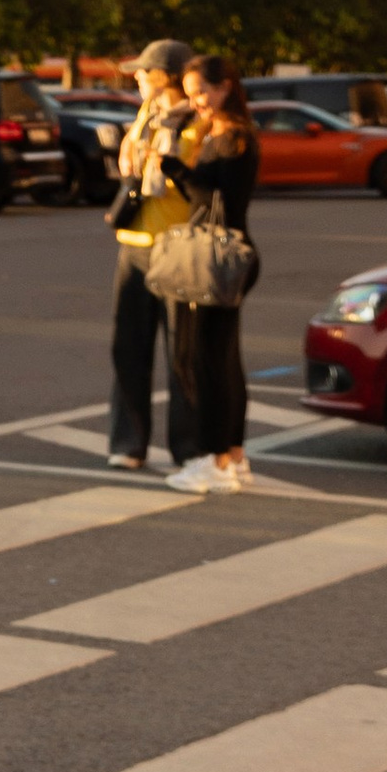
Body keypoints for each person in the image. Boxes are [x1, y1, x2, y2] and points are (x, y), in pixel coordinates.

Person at [158, 54, 259, 494]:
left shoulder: (233, 137)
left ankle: (215, 462)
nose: (196, 100)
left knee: (205, 360)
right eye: (191, 92)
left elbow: (222, 200)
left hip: (217, 258)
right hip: (226, 254)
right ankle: (233, 456)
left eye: (202, 91)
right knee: (224, 358)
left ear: (225, 88)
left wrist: (175, 167)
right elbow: (206, 198)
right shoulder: (221, 133)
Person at [106, 39, 198, 471]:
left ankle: (189, 448)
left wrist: (166, 162)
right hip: (135, 243)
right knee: (128, 348)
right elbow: (132, 165)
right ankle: (129, 443)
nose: (138, 78)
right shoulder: (147, 114)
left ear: (164, 75)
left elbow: (200, 183)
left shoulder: (196, 120)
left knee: (182, 354)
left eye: (144, 71)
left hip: (178, 246)